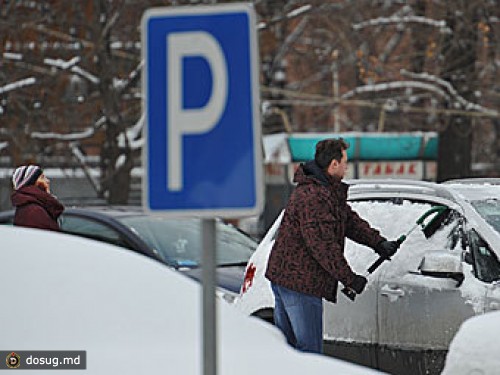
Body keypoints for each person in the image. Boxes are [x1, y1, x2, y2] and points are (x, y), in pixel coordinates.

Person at [265, 138, 400, 354]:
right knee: (309, 352)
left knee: (291, 353)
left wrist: (378, 242)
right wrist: (349, 279)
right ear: (334, 164)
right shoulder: (313, 197)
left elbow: (349, 221)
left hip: (290, 278)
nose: (347, 167)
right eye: (345, 162)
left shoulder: (325, 190)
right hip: (299, 283)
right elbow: (323, 247)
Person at [11, 165, 64, 231]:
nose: (47, 181)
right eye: (42, 177)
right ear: (32, 184)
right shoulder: (34, 212)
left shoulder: (30, 207)